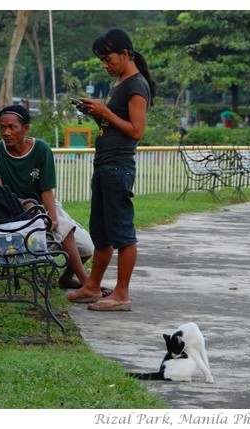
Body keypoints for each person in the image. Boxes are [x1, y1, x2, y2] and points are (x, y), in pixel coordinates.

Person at [65, 28, 156, 311]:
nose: (105, 65)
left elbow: (136, 131)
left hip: (119, 165)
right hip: (104, 163)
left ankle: (121, 294)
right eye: (101, 60)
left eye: (108, 58)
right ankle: (92, 287)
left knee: (122, 233)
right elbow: (113, 126)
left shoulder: (136, 85)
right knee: (101, 232)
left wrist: (105, 111)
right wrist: (97, 114)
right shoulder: (119, 82)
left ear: (125, 54)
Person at [0, 104, 100, 294]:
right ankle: (88, 284)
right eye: (2, 127)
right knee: (65, 230)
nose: (6, 132)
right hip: (13, 212)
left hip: (42, 206)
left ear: (25, 129)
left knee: (87, 247)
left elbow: (47, 191)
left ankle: (67, 278)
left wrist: (52, 216)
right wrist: (26, 204)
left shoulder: (41, 149)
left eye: (12, 127)